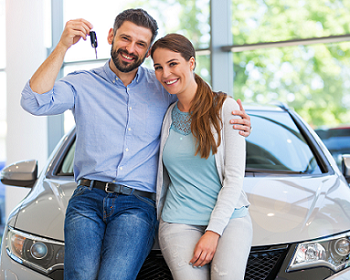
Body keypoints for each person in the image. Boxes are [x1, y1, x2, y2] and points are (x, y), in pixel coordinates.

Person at [20, 8, 251, 280]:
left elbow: (199, 106)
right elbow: (33, 101)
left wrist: (238, 121)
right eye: (125, 39)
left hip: (136, 204)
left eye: (140, 44)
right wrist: (62, 47)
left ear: (147, 49)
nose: (130, 49)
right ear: (110, 36)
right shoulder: (82, 83)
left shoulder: (162, 87)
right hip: (87, 199)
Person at [151, 33, 253, 280]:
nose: (166, 74)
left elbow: (234, 178)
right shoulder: (165, 116)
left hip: (229, 220)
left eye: (173, 64)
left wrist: (213, 232)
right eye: (158, 67)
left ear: (192, 63)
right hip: (178, 221)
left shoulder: (225, 108)